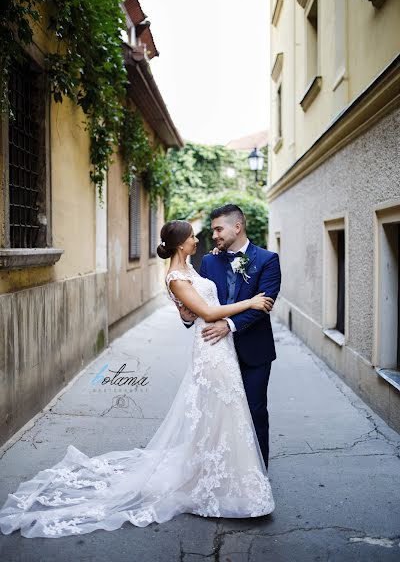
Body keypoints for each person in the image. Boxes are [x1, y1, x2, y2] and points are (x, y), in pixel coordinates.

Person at [0, 219, 275, 539]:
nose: (197, 241)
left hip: (220, 346)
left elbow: (194, 310)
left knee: (220, 413)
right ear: (181, 243)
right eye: (191, 238)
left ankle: (222, 474)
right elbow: (210, 313)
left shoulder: (190, 268)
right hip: (211, 347)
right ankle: (216, 483)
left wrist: (191, 306)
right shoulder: (175, 277)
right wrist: (252, 302)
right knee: (218, 410)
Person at [179, 204, 281, 471]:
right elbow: (202, 302)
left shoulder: (268, 259)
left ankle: (258, 474)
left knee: (255, 411)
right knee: (218, 414)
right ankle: (222, 471)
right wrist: (187, 317)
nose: (214, 235)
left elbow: (264, 305)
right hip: (216, 351)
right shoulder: (210, 261)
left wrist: (229, 325)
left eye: (218, 229)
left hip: (254, 351)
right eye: (213, 230)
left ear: (237, 227)